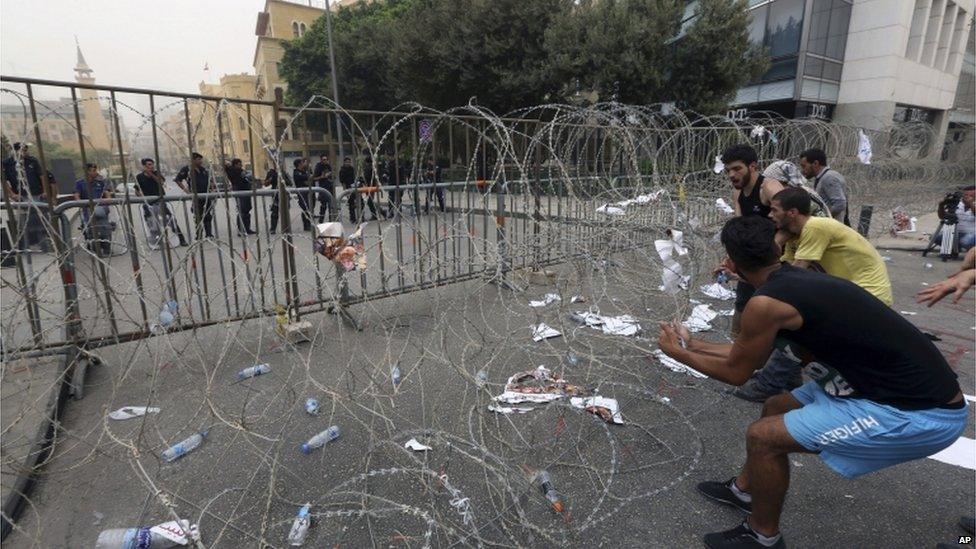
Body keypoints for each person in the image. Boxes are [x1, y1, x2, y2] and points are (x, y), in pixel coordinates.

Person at [657, 216, 966, 549]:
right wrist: (695, 344)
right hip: (888, 387)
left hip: (920, 411)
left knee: (762, 438)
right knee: (777, 405)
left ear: (731, 260)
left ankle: (763, 536)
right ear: (776, 247)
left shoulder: (766, 304)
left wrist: (677, 354)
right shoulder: (797, 279)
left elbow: (737, 372)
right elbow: (748, 354)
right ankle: (744, 491)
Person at [734, 187, 895, 401]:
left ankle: (768, 384)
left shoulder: (816, 227)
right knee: (792, 318)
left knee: (802, 324)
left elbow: (792, 278)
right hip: (847, 292)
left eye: (774, 210)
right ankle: (787, 379)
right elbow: (780, 273)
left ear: (792, 213)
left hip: (868, 293)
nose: (770, 215)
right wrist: (775, 244)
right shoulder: (796, 236)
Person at [715, 145, 793, 401]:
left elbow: (795, 220)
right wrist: (732, 258)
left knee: (777, 319)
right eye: (728, 170)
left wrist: (774, 246)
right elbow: (740, 227)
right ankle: (748, 364)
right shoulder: (739, 194)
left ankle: (773, 376)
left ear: (753, 167)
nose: (732, 175)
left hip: (776, 263)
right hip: (753, 262)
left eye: (737, 169)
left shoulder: (768, 188)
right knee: (743, 310)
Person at [2, 142, 49, 250]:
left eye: (25, 150)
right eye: (22, 150)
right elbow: (4, 181)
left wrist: (45, 191)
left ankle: (45, 244)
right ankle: (25, 245)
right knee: (24, 221)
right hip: (21, 197)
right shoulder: (7, 163)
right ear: (15, 151)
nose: (24, 152)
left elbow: (42, 177)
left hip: (36, 194)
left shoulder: (32, 161)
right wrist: (12, 194)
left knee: (41, 219)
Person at [136, 158, 187, 247]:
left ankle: (181, 239)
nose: (151, 166)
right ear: (144, 166)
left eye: (152, 164)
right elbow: (137, 190)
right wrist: (141, 197)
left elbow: (161, 182)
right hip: (148, 203)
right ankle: (156, 242)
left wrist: (151, 174)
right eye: (149, 165)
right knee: (152, 222)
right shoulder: (139, 177)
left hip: (160, 201)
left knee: (170, 220)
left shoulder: (156, 173)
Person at [798, 148, 848, 224]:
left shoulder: (829, 177)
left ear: (815, 163)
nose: (803, 170)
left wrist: (822, 218)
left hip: (830, 226)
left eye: (804, 166)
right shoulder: (824, 177)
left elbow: (840, 204)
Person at [74, 163, 113, 256]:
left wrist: (104, 200)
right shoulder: (79, 183)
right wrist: (83, 203)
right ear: (87, 171)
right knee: (91, 231)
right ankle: (94, 247)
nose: (96, 172)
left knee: (105, 229)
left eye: (96, 170)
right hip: (88, 211)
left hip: (101, 210)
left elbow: (108, 195)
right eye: (93, 170)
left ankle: (107, 248)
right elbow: (76, 196)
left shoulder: (100, 182)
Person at [174, 153, 215, 239]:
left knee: (207, 215)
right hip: (196, 197)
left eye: (201, 159)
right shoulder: (187, 169)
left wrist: (212, 188)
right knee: (198, 216)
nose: (201, 161)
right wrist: (187, 191)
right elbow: (178, 180)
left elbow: (209, 180)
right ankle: (199, 235)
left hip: (206, 196)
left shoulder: (203, 169)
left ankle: (209, 234)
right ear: (193, 160)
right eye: (198, 159)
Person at [934, 185, 975, 252]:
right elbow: (942, 216)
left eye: (971, 195)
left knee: (966, 241)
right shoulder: (957, 203)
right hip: (955, 234)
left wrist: (971, 204)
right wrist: (941, 206)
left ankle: (971, 251)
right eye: (966, 194)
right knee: (935, 237)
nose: (967, 197)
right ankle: (956, 248)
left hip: (972, 234)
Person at [224, 158, 256, 236]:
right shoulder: (232, 171)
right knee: (242, 210)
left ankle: (247, 228)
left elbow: (248, 177)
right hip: (240, 191)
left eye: (240, 164)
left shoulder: (241, 170)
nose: (240, 165)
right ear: (234, 165)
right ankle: (241, 230)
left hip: (245, 191)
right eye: (239, 164)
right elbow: (225, 167)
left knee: (247, 210)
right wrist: (227, 164)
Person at [263, 163, 290, 234]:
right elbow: (265, 184)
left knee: (285, 212)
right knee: (275, 212)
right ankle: (273, 229)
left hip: (284, 194)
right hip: (275, 194)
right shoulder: (271, 172)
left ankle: (286, 229)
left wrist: (284, 180)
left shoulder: (283, 172)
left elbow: (290, 182)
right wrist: (270, 179)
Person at [311, 154, 334, 223]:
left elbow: (332, 175)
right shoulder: (318, 167)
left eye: (326, 159)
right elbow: (314, 178)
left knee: (331, 205)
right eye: (324, 159)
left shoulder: (329, 166)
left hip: (330, 187)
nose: (326, 161)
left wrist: (332, 175)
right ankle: (321, 221)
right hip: (323, 188)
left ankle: (331, 220)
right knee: (323, 205)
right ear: (321, 160)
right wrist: (322, 177)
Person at [292, 157, 313, 231]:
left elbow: (310, 176)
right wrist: (308, 176)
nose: (304, 164)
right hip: (301, 194)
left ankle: (309, 224)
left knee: (308, 208)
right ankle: (306, 225)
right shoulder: (296, 172)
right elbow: (305, 177)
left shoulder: (304, 171)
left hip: (307, 193)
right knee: (305, 208)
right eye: (302, 163)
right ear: (299, 164)